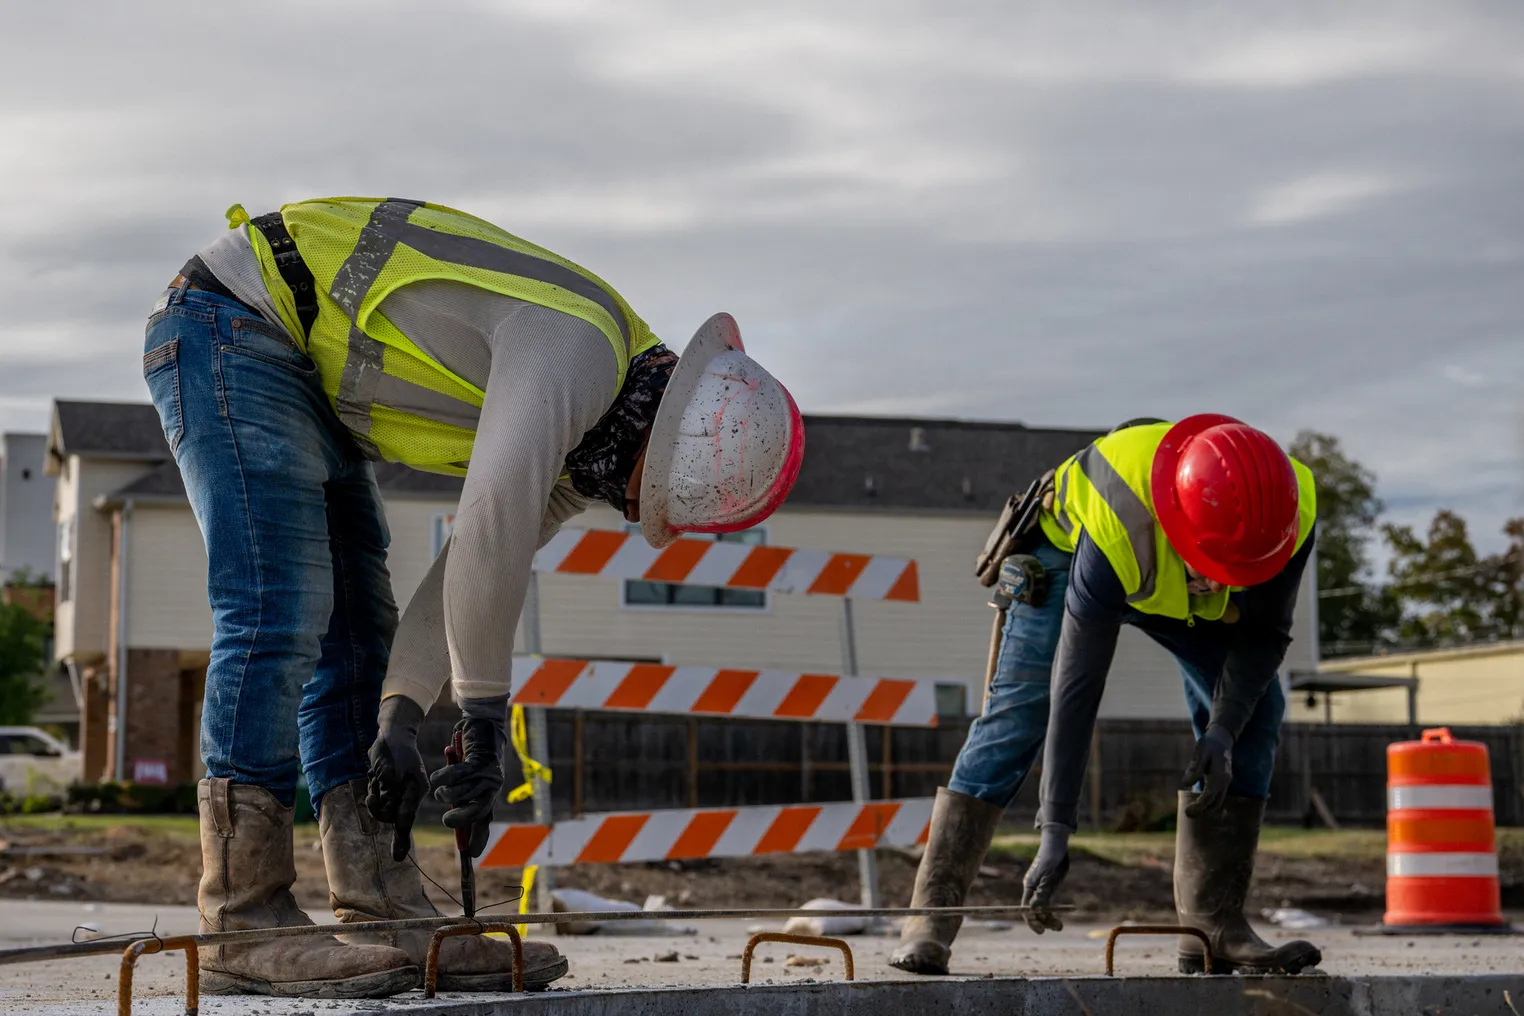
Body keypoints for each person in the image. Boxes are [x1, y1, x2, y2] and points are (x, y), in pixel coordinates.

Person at [144, 198, 805, 998]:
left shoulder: (585, 445)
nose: (634, 512)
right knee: (277, 609)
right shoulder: (578, 350)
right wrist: (483, 717)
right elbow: (490, 519)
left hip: (297, 359)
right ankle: (240, 918)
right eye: (647, 497)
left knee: (360, 640)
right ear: (656, 441)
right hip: (236, 321)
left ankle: (385, 910)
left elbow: (469, 569)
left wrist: (401, 712)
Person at [890, 415, 1320, 977]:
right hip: (1069, 552)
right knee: (1021, 711)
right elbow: (1076, 686)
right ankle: (931, 919)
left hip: (1169, 565)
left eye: (1235, 576)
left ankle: (1212, 928)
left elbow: (1264, 637)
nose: (1220, 587)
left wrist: (1222, 730)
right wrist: (1056, 830)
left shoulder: (1290, 509)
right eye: (1214, 570)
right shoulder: (1120, 517)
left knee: (1258, 710)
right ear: (1181, 527)